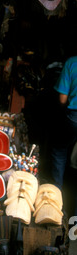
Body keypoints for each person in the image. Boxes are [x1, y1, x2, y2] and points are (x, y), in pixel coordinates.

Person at [49, 55, 77, 216]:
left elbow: (62, 98)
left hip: (73, 118)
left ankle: (55, 204)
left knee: (59, 152)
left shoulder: (72, 63)